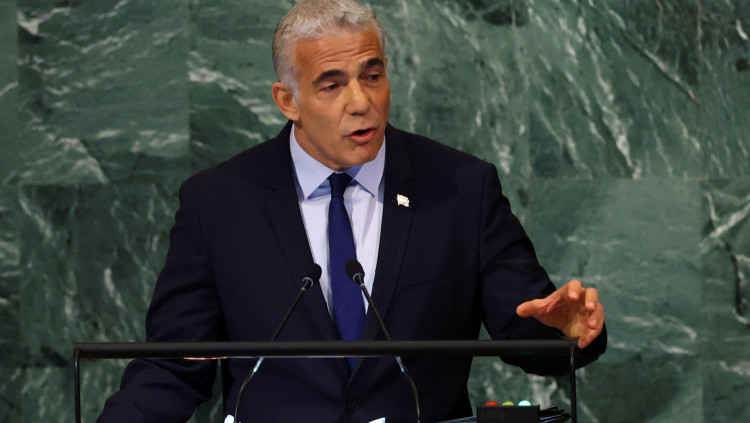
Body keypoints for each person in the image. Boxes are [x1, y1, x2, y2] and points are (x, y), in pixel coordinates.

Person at [97, 0, 606, 422]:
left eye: (373, 75)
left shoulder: (459, 189)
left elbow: (525, 327)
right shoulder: (219, 203)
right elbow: (172, 365)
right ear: (288, 101)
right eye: (332, 84)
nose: (361, 101)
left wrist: (565, 333)